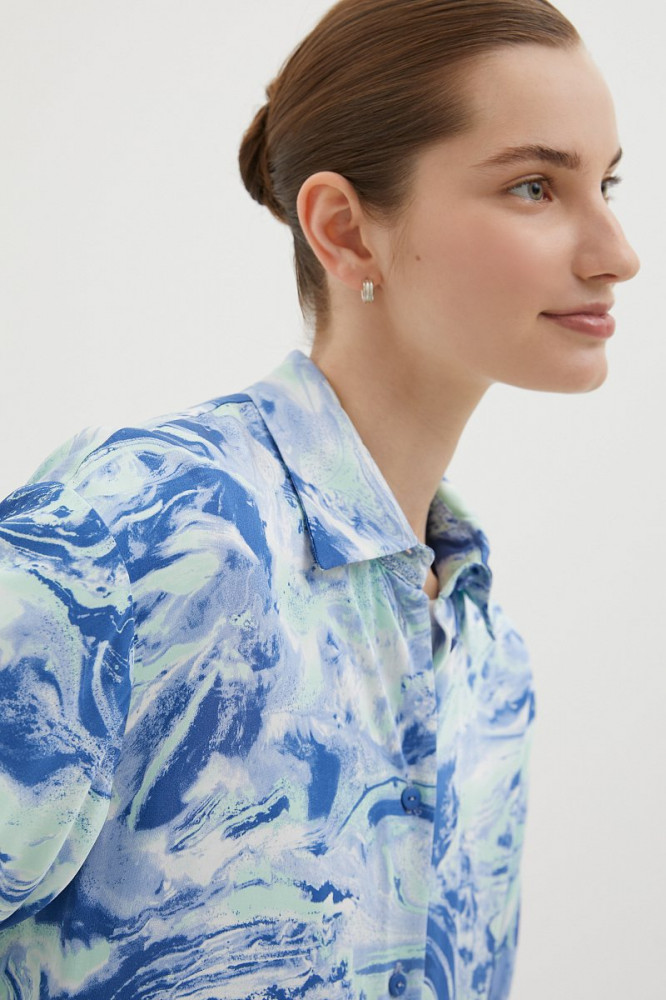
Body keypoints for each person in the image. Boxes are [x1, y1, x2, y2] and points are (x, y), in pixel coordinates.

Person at [0, 0, 640, 997]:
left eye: (607, 184)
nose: (618, 251)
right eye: (534, 186)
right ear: (345, 230)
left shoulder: (487, 658)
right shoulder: (136, 536)